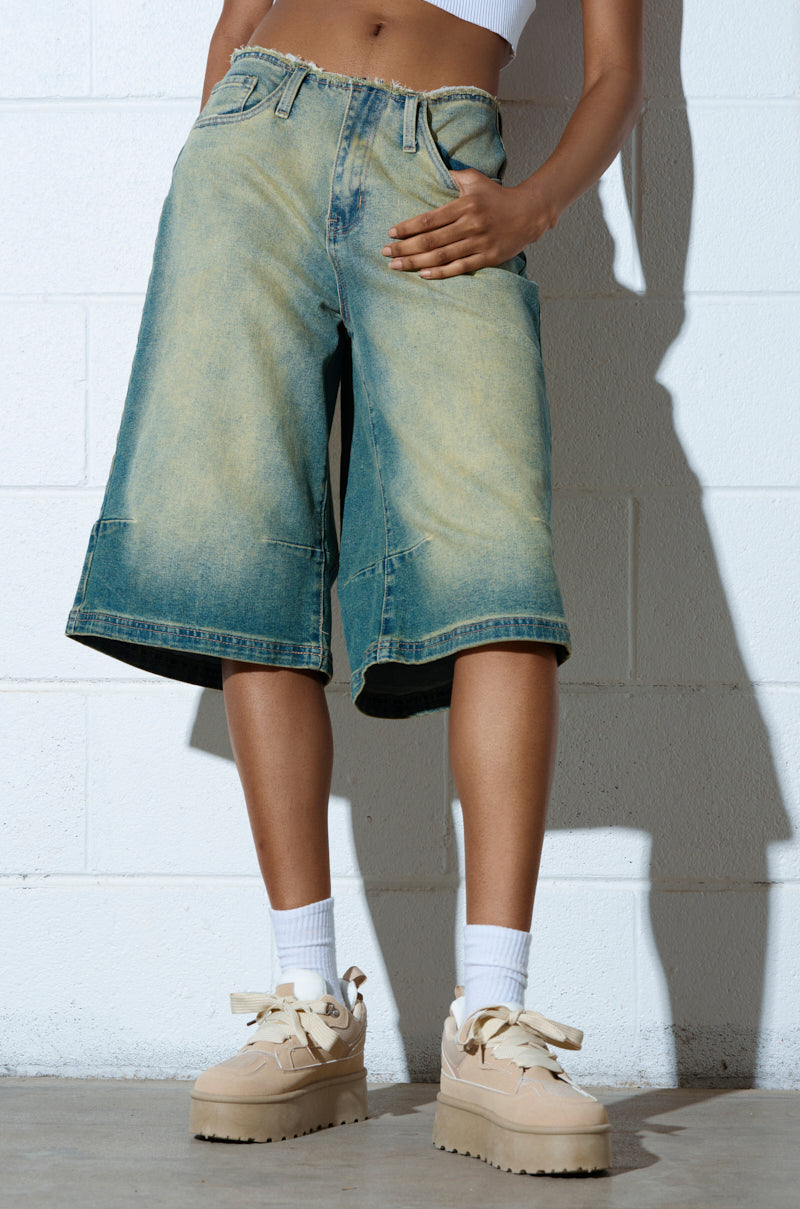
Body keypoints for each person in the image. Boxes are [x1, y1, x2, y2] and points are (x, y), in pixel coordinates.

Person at [65, 0, 643, 1176]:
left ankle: (491, 1022)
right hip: (255, 140)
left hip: (441, 166)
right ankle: (304, 1003)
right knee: (248, 554)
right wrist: (223, 140)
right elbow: (236, 18)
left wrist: (530, 203)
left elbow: (614, 75)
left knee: (495, 571)